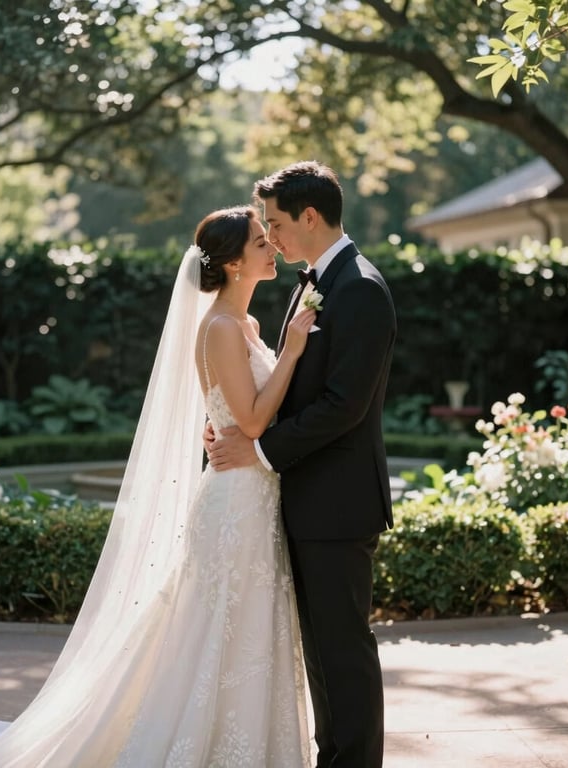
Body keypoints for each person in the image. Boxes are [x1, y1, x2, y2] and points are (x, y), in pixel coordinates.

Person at [0, 206, 316, 767]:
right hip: (232, 504)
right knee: (215, 630)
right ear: (232, 263)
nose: (271, 244)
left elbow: (228, 415)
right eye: (259, 240)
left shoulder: (244, 326)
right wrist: (292, 352)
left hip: (253, 496)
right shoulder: (220, 327)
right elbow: (248, 423)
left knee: (243, 628)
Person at [205, 162, 397, 768]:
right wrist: (227, 425)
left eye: (278, 223)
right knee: (319, 650)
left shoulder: (360, 288)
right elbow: (285, 386)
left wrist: (257, 449)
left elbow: (344, 405)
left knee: (344, 648)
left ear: (310, 217)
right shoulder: (313, 281)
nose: (273, 235)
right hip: (300, 498)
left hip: (338, 504)